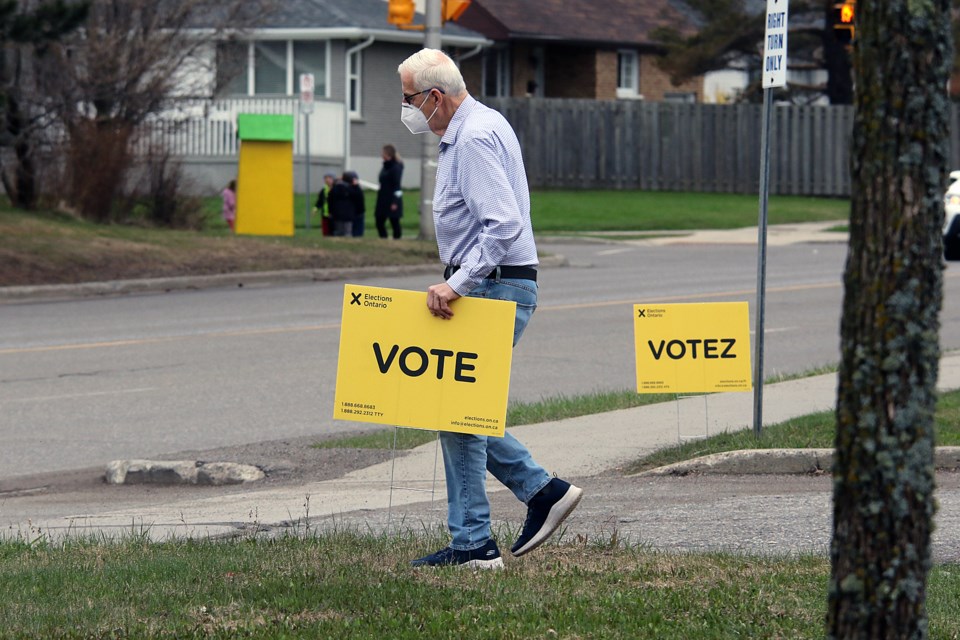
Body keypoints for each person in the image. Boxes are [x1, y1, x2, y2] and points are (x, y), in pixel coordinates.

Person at [398, 48, 582, 569]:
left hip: (495, 286)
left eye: (409, 99)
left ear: (435, 97)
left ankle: (476, 544)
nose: (407, 110)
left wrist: (458, 284)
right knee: (457, 408)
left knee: (456, 412)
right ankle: (537, 495)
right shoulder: (478, 126)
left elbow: (503, 224)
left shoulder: (474, 137)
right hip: (503, 283)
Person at [375, 144, 404, 239]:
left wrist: (395, 202)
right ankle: (384, 239)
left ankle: (397, 240)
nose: (381, 154)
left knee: (394, 221)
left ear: (388, 154)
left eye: (383, 152)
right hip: (382, 198)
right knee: (379, 220)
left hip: (392, 199)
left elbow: (397, 186)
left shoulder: (396, 167)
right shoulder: (385, 166)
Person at [344, 171, 366, 237]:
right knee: (354, 231)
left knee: (358, 231)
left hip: (359, 212)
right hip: (352, 212)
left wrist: (356, 186)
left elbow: (360, 197)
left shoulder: (357, 188)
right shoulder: (348, 188)